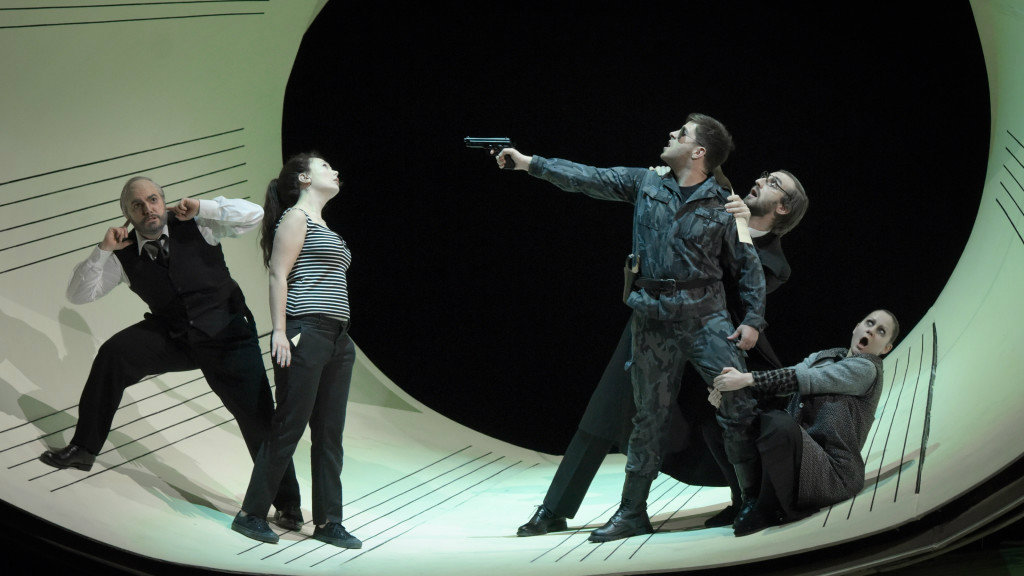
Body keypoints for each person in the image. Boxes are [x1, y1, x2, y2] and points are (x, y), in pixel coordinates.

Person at [497, 113, 767, 542]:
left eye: (682, 133)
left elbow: (748, 267)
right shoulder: (647, 183)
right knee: (648, 417)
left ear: (699, 152)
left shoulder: (725, 205)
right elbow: (590, 177)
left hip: (706, 318)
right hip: (653, 318)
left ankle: (752, 500)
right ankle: (632, 512)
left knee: (737, 405)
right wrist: (531, 163)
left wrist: (752, 319)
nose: (671, 134)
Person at [41, 176, 303, 530]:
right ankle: (84, 450)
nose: (148, 209)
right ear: (127, 213)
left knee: (258, 416)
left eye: (153, 199)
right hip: (177, 336)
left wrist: (204, 206)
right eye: (137, 205)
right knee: (114, 354)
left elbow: (254, 215)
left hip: (226, 334)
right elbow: (78, 294)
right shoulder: (122, 254)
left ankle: (287, 503)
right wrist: (102, 250)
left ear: (163, 201)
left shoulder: (197, 222)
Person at [229, 153, 361, 549]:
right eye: (325, 167)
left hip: (338, 338)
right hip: (307, 331)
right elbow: (277, 273)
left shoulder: (325, 226)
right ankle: (251, 513)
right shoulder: (295, 218)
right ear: (304, 178)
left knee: (329, 434)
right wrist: (280, 332)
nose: (335, 170)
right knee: (289, 425)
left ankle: (329, 521)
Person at [711, 309, 899, 536]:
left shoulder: (867, 370)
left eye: (881, 331)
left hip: (831, 472)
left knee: (778, 424)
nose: (871, 331)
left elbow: (802, 379)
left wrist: (745, 379)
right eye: (869, 323)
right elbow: (784, 379)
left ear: (886, 348)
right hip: (796, 455)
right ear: (856, 327)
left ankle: (768, 507)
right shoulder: (825, 356)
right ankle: (743, 500)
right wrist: (731, 396)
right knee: (726, 422)